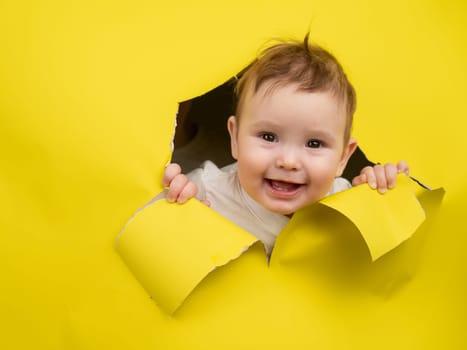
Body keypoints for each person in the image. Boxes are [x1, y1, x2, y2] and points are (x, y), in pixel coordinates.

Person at [162, 34, 409, 255]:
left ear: (343, 158)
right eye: (268, 137)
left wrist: (382, 190)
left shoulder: (345, 200)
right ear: (235, 138)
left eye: (314, 143)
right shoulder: (208, 190)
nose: (288, 161)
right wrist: (173, 197)